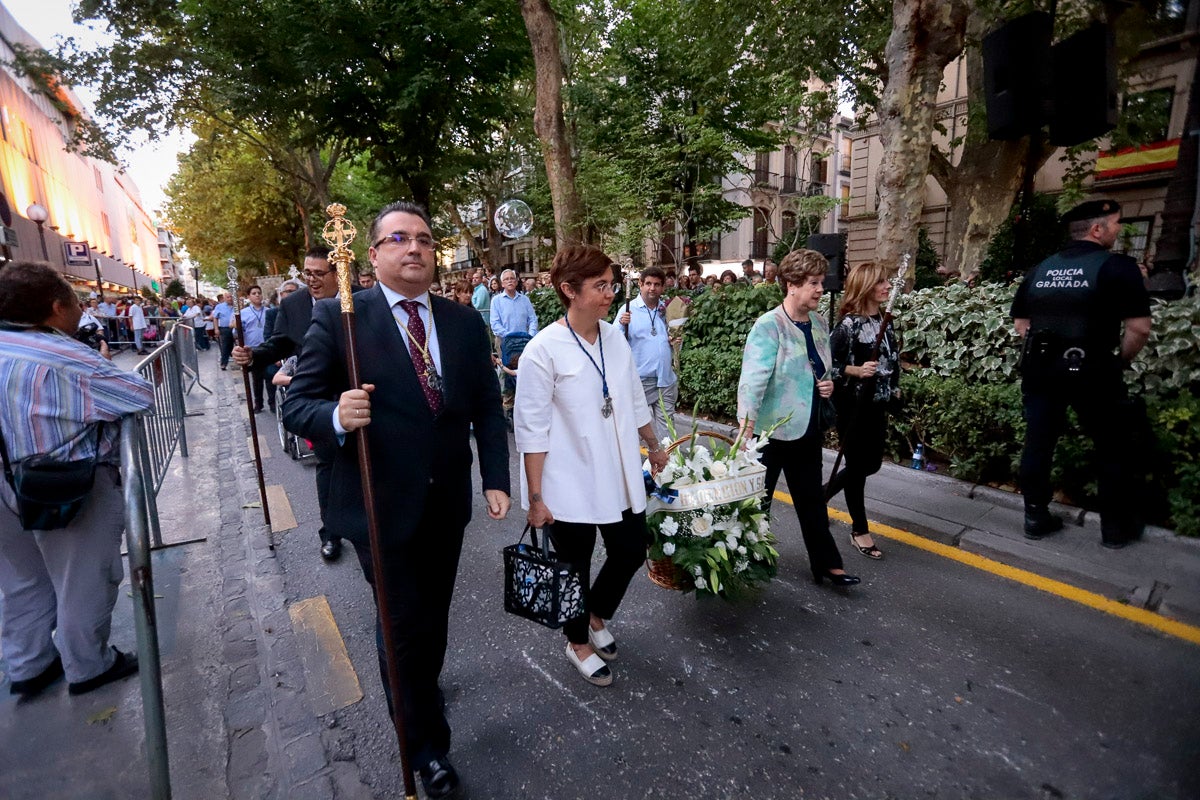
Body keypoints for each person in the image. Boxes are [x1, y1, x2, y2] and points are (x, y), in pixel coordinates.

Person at [283, 201, 510, 799]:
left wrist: (495, 476)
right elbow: (297, 403)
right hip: (376, 502)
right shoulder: (339, 319)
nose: (415, 248)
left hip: (446, 503)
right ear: (374, 253)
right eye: (399, 239)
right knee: (403, 623)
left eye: (425, 240)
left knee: (430, 619)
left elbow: (487, 405)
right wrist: (335, 413)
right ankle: (425, 747)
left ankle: (418, 685)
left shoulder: (463, 322)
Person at [516, 245, 668, 688]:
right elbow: (531, 431)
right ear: (569, 290)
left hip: (619, 471)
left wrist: (653, 446)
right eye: (600, 285)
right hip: (569, 480)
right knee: (573, 565)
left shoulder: (614, 336)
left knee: (629, 551)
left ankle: (596, 611)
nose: (610, 293)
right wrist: (537, 497)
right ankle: (577, 640)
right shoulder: (541, 351)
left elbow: (633, 397)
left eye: (611, 284)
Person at [0, 262, 154, 697]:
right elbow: (137, 396)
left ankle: (28, 663)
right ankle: (88, 664)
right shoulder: (62, 354)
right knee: (82, 577)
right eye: (74, 300)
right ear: (55, 306)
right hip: (59, 484)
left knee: (21, 578)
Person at [1010, 199, 1152, 549]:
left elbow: (1021, 323)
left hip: (1042, 368)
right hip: (1094, 367)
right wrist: (1119, 360)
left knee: (1039, 441)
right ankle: (1116, 530)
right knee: (1112, 445)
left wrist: (1049, 346)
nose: (1119, 230)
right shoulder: (1118, 267)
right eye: (1116, 223)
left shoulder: (1041, 268)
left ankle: (1035, 517)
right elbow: (1139, 328)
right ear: (1097, 229)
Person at [737, 249, 859, 588]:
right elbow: (753, 380)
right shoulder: (769, 325)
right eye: (813, 283)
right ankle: (744, 563)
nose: (821, 289)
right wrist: (746, 430)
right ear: (791, 285)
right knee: (755, 503)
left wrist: (828, 383)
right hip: (769, 432)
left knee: (811, 502)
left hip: (807, 428)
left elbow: (821, 367)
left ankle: (827, 565)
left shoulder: (819, 323)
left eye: (821, 282)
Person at [233, 247, 352, 562]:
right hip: (321, 401)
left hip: (360, 398)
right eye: (306, 273)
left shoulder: (360, 299)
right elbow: (280, 343)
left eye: (318, 273)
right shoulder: (294, 305)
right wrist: (254, 356)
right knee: (327, 466)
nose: (311, 280)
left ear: (337, 273)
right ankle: (331, 533)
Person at [826, 262, 901, 560]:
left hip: (879, 404)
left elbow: (892, 359)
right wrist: (855, 370)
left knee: (869, 466)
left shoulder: (887, 320)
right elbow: (826, 365)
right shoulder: (848, 325)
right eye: (881, 282)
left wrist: (895, 387)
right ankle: (860, 530)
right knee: (858, 468)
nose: (887, 286)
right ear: (866, 286)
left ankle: (821, 496)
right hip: (854, 405)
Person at [617, 265, 678, 444]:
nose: (652, 288)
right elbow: (614, 341)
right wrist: (621, 324)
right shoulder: (628, 309)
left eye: (657, 284)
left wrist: (676, 343)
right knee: (634, 429)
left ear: (663, 287)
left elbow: (672, 342)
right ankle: (628, 469)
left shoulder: (667, 309)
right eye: (648, 283)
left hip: (665, 379)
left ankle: (670, 468)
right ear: (641, 284)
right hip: (640, 381)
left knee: (668, 431)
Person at [212, 293, 236, 369]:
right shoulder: (219, 307)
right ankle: (224, 363)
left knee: (238, 345)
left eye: (231, 297)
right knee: (225, 346)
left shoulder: (237, 306)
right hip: (225, 329)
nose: (230, 299)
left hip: (236, 328)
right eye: (228, 297)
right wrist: (216, 329)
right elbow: (215, 318)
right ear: (224, 298)